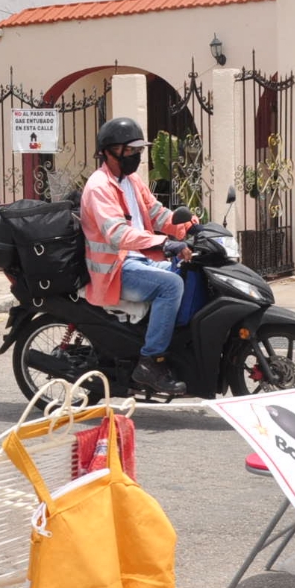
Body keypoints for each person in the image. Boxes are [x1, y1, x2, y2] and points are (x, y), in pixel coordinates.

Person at [80, 116, 193, 396]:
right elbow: (118, 234)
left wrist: (191, 226)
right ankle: (150, 362)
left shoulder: (131, 180)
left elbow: (156, 212)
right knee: (171, 285)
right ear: (109, 151)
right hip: (114, 269)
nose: (135, 156)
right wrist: (166, 244)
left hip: (140, 260)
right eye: (129, 150)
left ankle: (175, 348)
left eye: (137, 150)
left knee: (192, 275)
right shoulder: (99, 187)